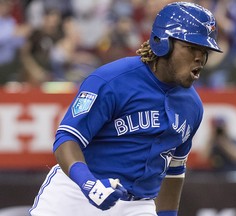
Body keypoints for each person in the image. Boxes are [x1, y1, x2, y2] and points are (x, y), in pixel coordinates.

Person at [29, 2, 222, 216]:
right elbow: (66, 138)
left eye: (205, 50)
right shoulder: (112, 80)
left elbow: (174, 172)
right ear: (162, 43)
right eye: (191, 47)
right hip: (77, 193)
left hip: (138, 205)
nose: (200, 57)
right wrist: (89, 184)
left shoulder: (192, 107)